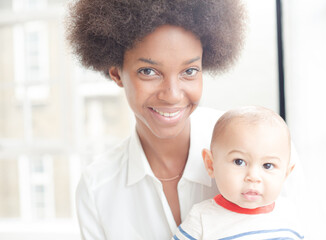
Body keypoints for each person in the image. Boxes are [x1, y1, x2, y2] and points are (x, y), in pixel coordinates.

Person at [66, 0, 247, 239]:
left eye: (190, 71)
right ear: (116, 73)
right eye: (148, 71)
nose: (172, 95)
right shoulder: (97, 189)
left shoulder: (256, 148)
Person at [172, 106, 304, 240]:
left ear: (286, 174)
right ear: (211, 164)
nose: (253, 177)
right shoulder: (202, 220)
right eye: (239, 162)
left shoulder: (289, 215)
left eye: (267, 165)